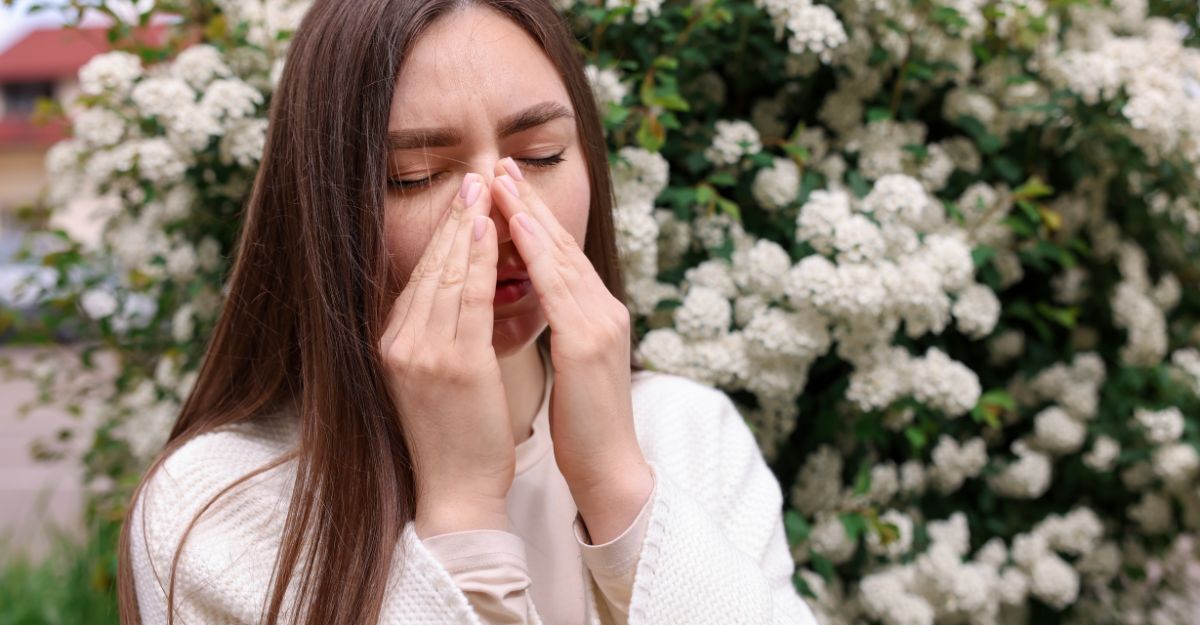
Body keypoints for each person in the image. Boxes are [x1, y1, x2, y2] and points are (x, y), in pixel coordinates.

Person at [117, 1, 819, 624]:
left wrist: (616, 485)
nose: (503, 216)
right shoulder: (215, 505)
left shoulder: (691, 433)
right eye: (415, 176)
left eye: (541, 155)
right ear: (326, 207)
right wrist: (461, 516)